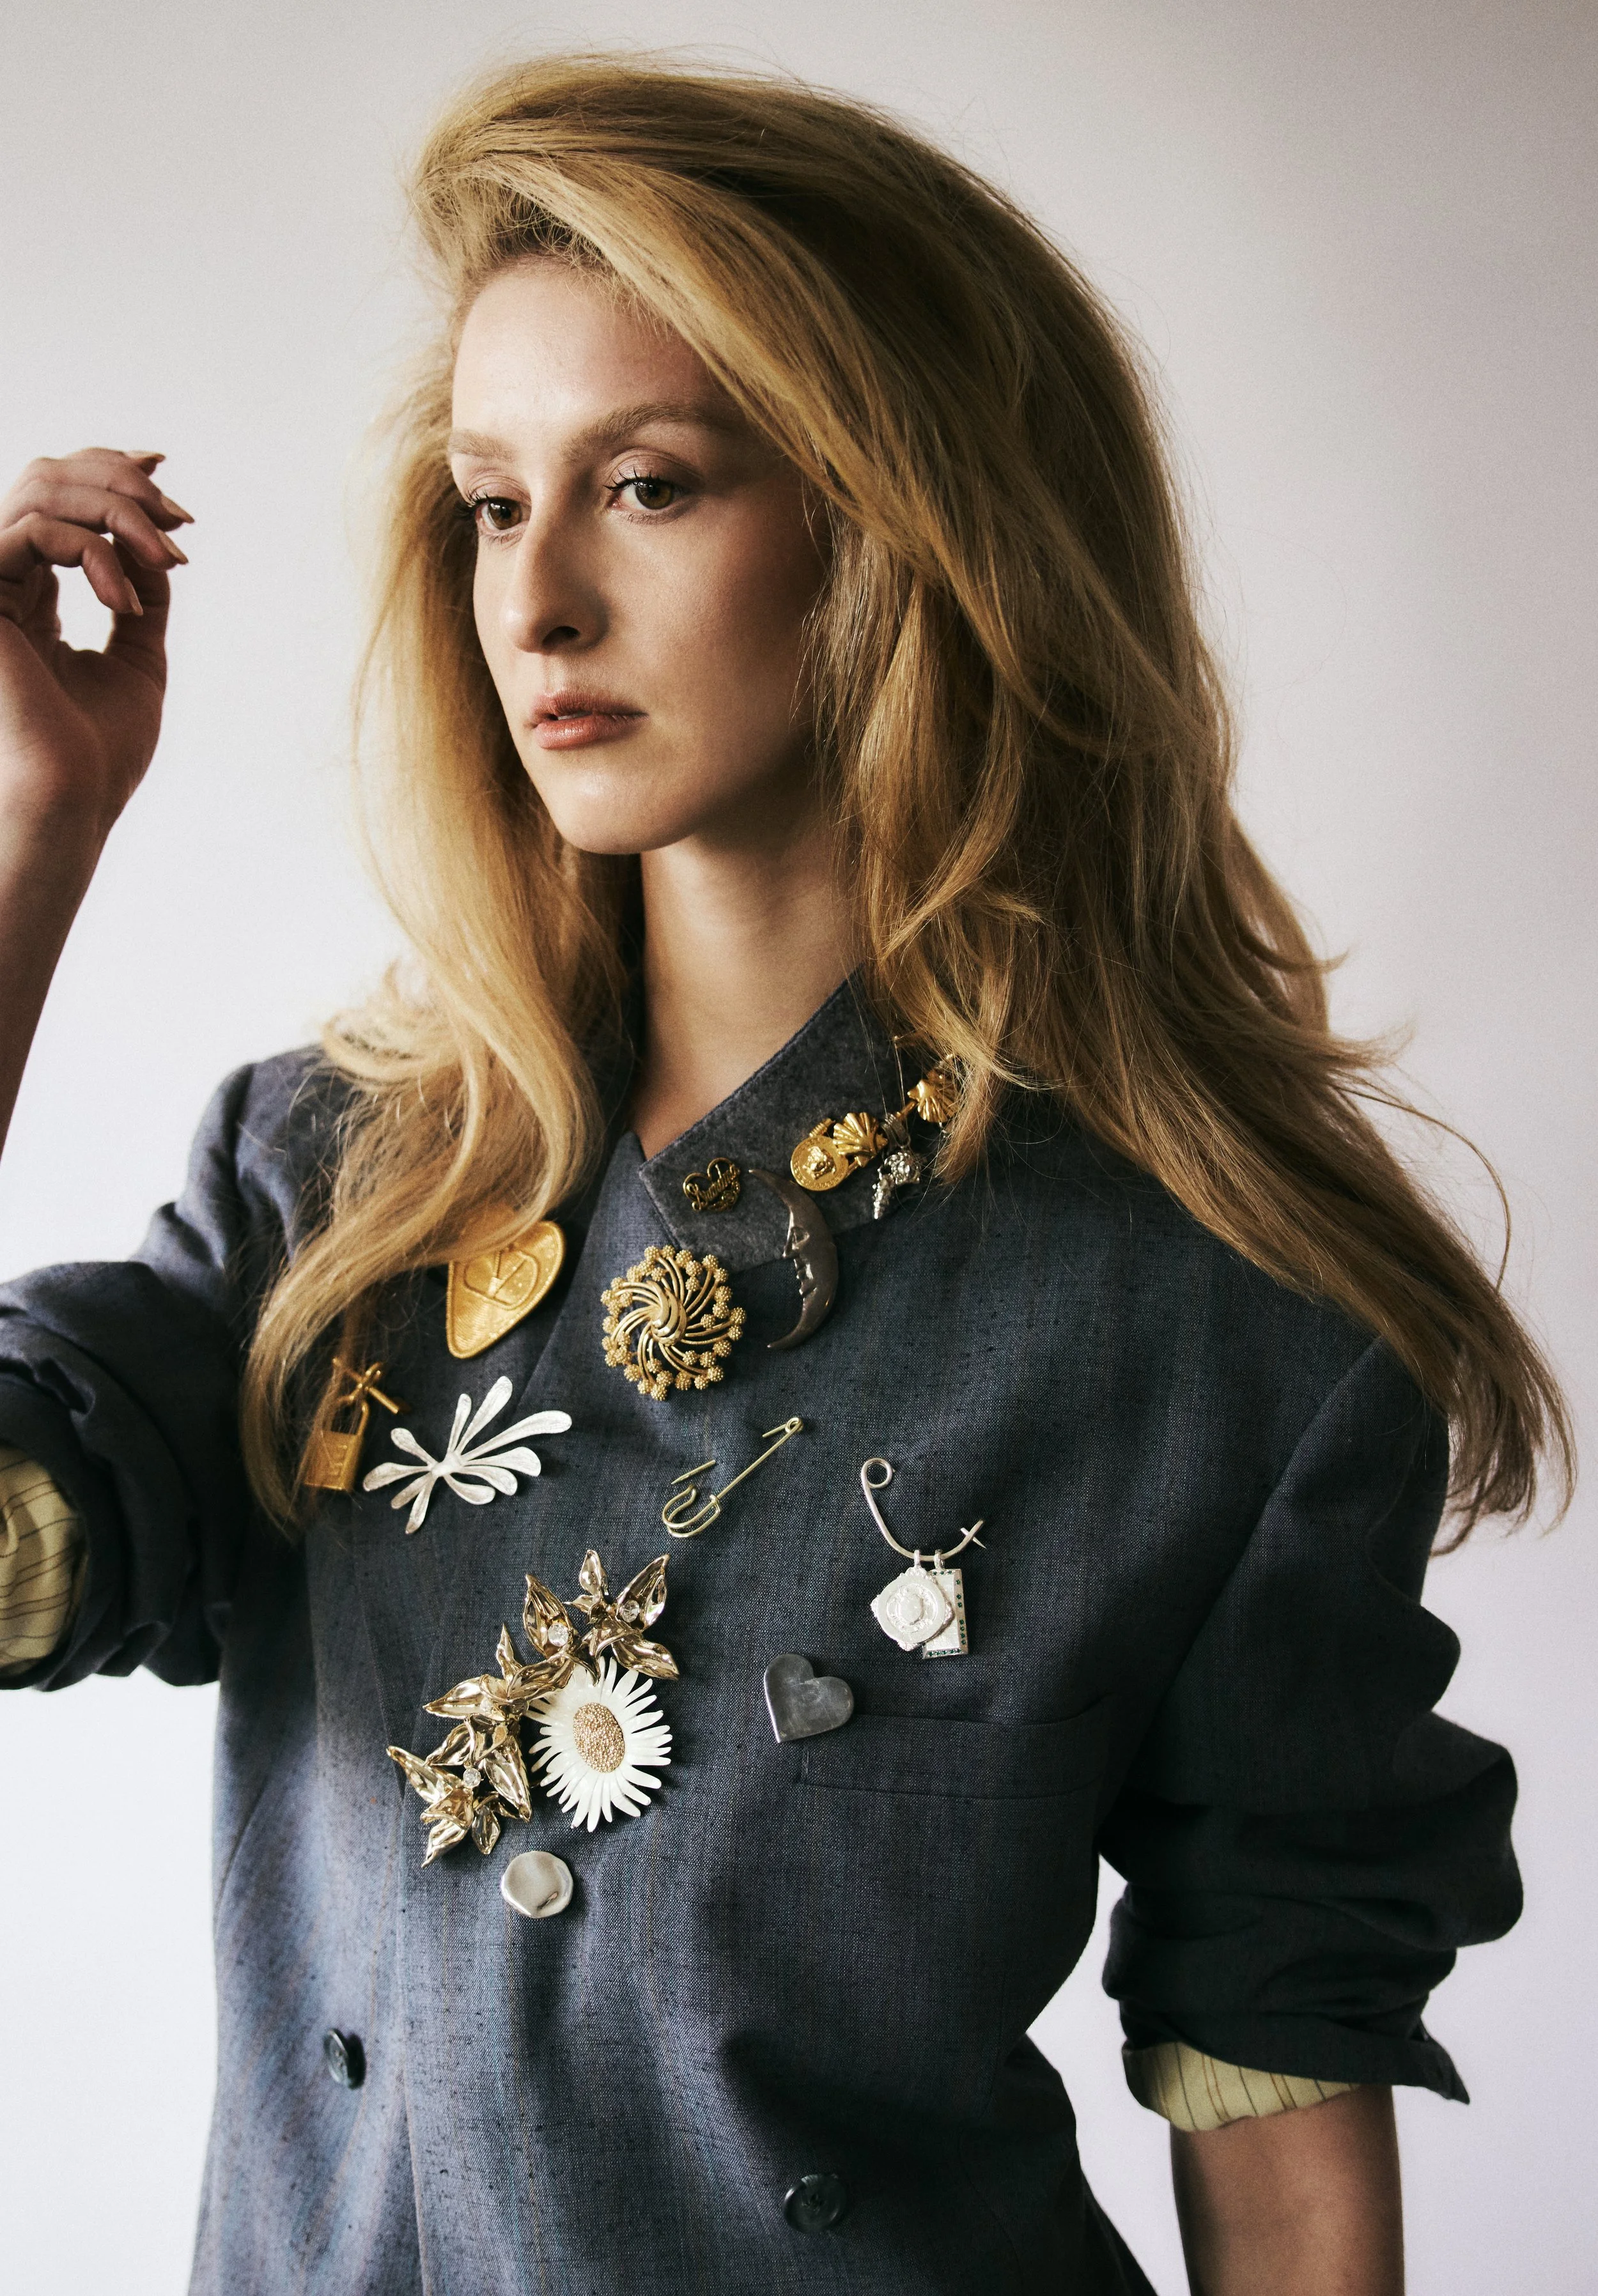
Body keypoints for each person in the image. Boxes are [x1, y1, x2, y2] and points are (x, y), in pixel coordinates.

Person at [0, 54, 1569, 2296]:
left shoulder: (1218, 1326)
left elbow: (1279, 2044)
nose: (532, 602)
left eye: (647, 486)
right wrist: (24, 837)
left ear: (899, 524)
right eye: (486, 501)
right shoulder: (336, 1182)